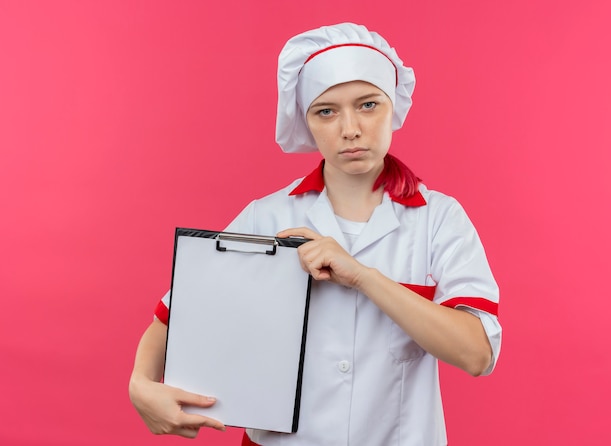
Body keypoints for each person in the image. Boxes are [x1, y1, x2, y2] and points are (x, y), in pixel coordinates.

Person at [129, 22, 502, 446]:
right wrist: (140, 383)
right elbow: (175, 315)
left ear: (393, 106)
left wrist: (363, 276)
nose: (350, 128)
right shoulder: (265, 218)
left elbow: (476, 354)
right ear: (306, 122)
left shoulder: (439, 219)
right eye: (326, 111)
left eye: (367, 105)